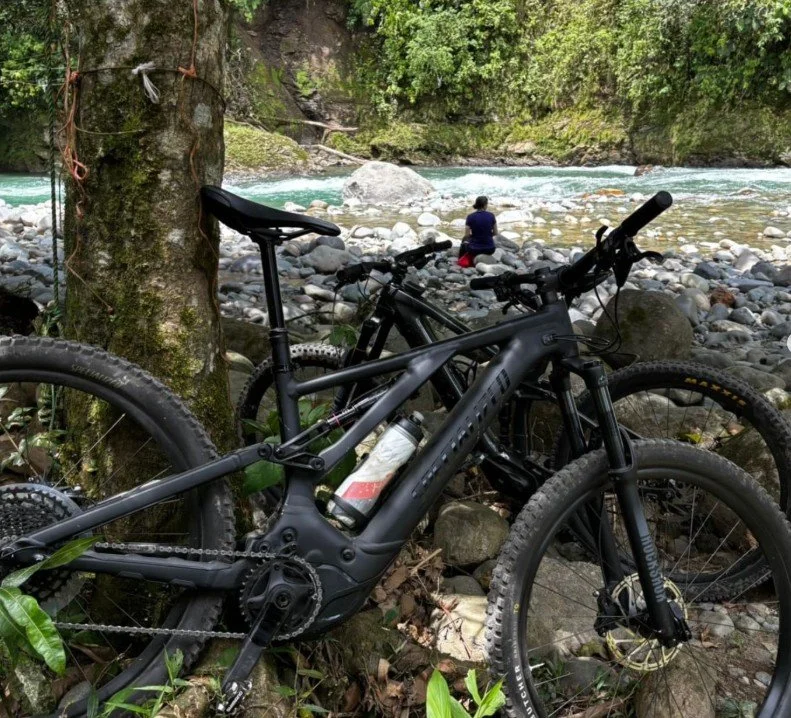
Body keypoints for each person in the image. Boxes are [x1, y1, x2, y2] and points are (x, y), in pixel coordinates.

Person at [459, 195, 497, 268]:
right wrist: (487, 235)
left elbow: (467, 235)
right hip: (490, 249)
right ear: (485, 205)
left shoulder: (470, 217)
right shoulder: (491, 215)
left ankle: (460, 261)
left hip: (474, 249)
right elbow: (495, 233)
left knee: (464, 242)